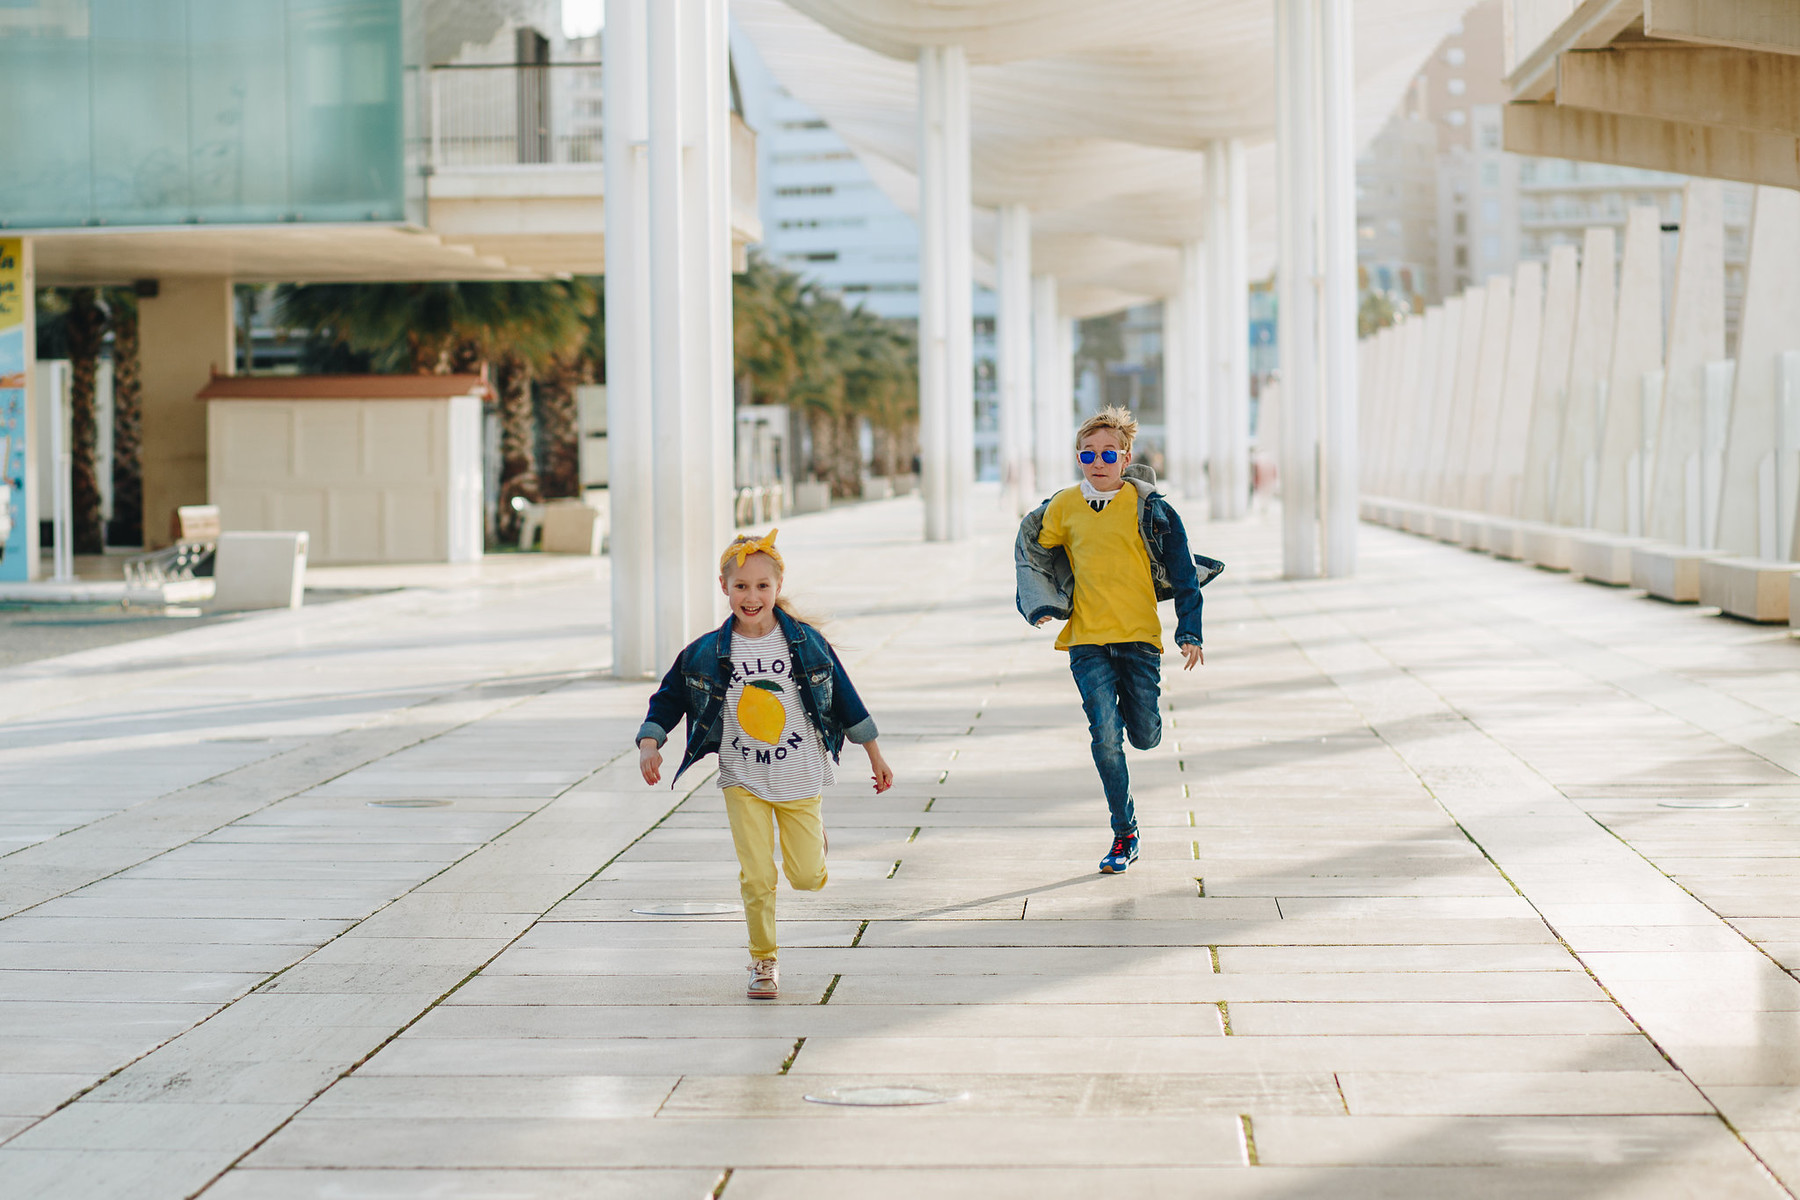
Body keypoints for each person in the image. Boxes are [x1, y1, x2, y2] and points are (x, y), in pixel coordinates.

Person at [637, 529, 894, 999]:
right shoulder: (707, 652)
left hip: (800, 776)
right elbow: (670, 696)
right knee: (757, 876)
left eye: (761, 586)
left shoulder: (806, 644)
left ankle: (813, 841)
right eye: (741, 587)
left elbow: (845, 699)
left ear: (777, 586)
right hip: (744, 778)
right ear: (724, 587)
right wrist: (651, 742)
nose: (751, 597)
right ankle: (763, 960)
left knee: (806, 878)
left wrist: (873, 754)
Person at [1014, 407, 1223, 874]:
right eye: (1087, 453)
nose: (1097, 461)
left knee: (1144, 737)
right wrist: (1043, 601)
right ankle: (1124, 834)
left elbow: (1185, 574)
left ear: (1126, 457)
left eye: (1108, 452)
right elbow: (1034, 549)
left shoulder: (1152, 509)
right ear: (1078, 457)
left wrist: (1189, 631)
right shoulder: (1064, 506)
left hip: (1139, 640)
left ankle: (1135, 715)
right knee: (1105, 737)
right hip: (1087, 641)